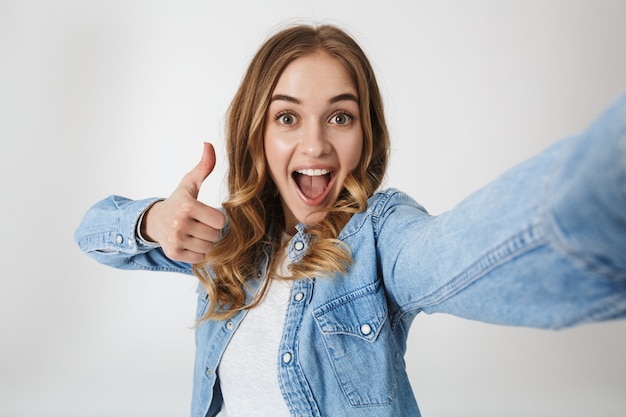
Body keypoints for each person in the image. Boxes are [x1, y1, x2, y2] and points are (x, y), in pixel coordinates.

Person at [74, 24, 626, 417]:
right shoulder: (228, 243)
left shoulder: (379, 237)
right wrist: (153, 221)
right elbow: (94, 232)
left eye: (340, 116)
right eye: (287, 117)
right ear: (257, 136)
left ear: (366, 137)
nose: (315, 143)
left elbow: (452, 254)